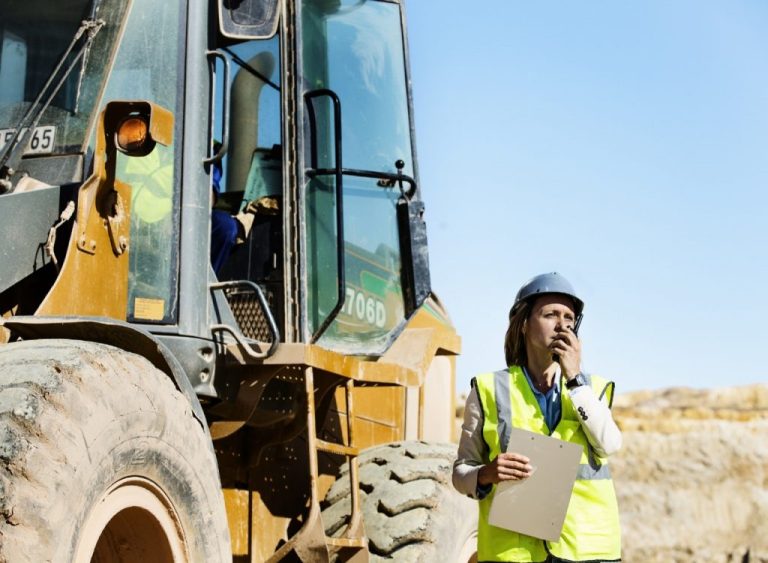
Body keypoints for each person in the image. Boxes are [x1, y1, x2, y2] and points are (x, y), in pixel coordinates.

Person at [453, 272, 622, 563]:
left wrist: (574, 379)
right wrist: (486, 474)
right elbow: (460, 473)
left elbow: (609, 444)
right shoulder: (488, 390)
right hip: (513, 553)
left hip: (586, 551)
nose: (562, 325)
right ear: (523, 324)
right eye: (550, 315)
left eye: (569, 318)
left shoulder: (592, 389)